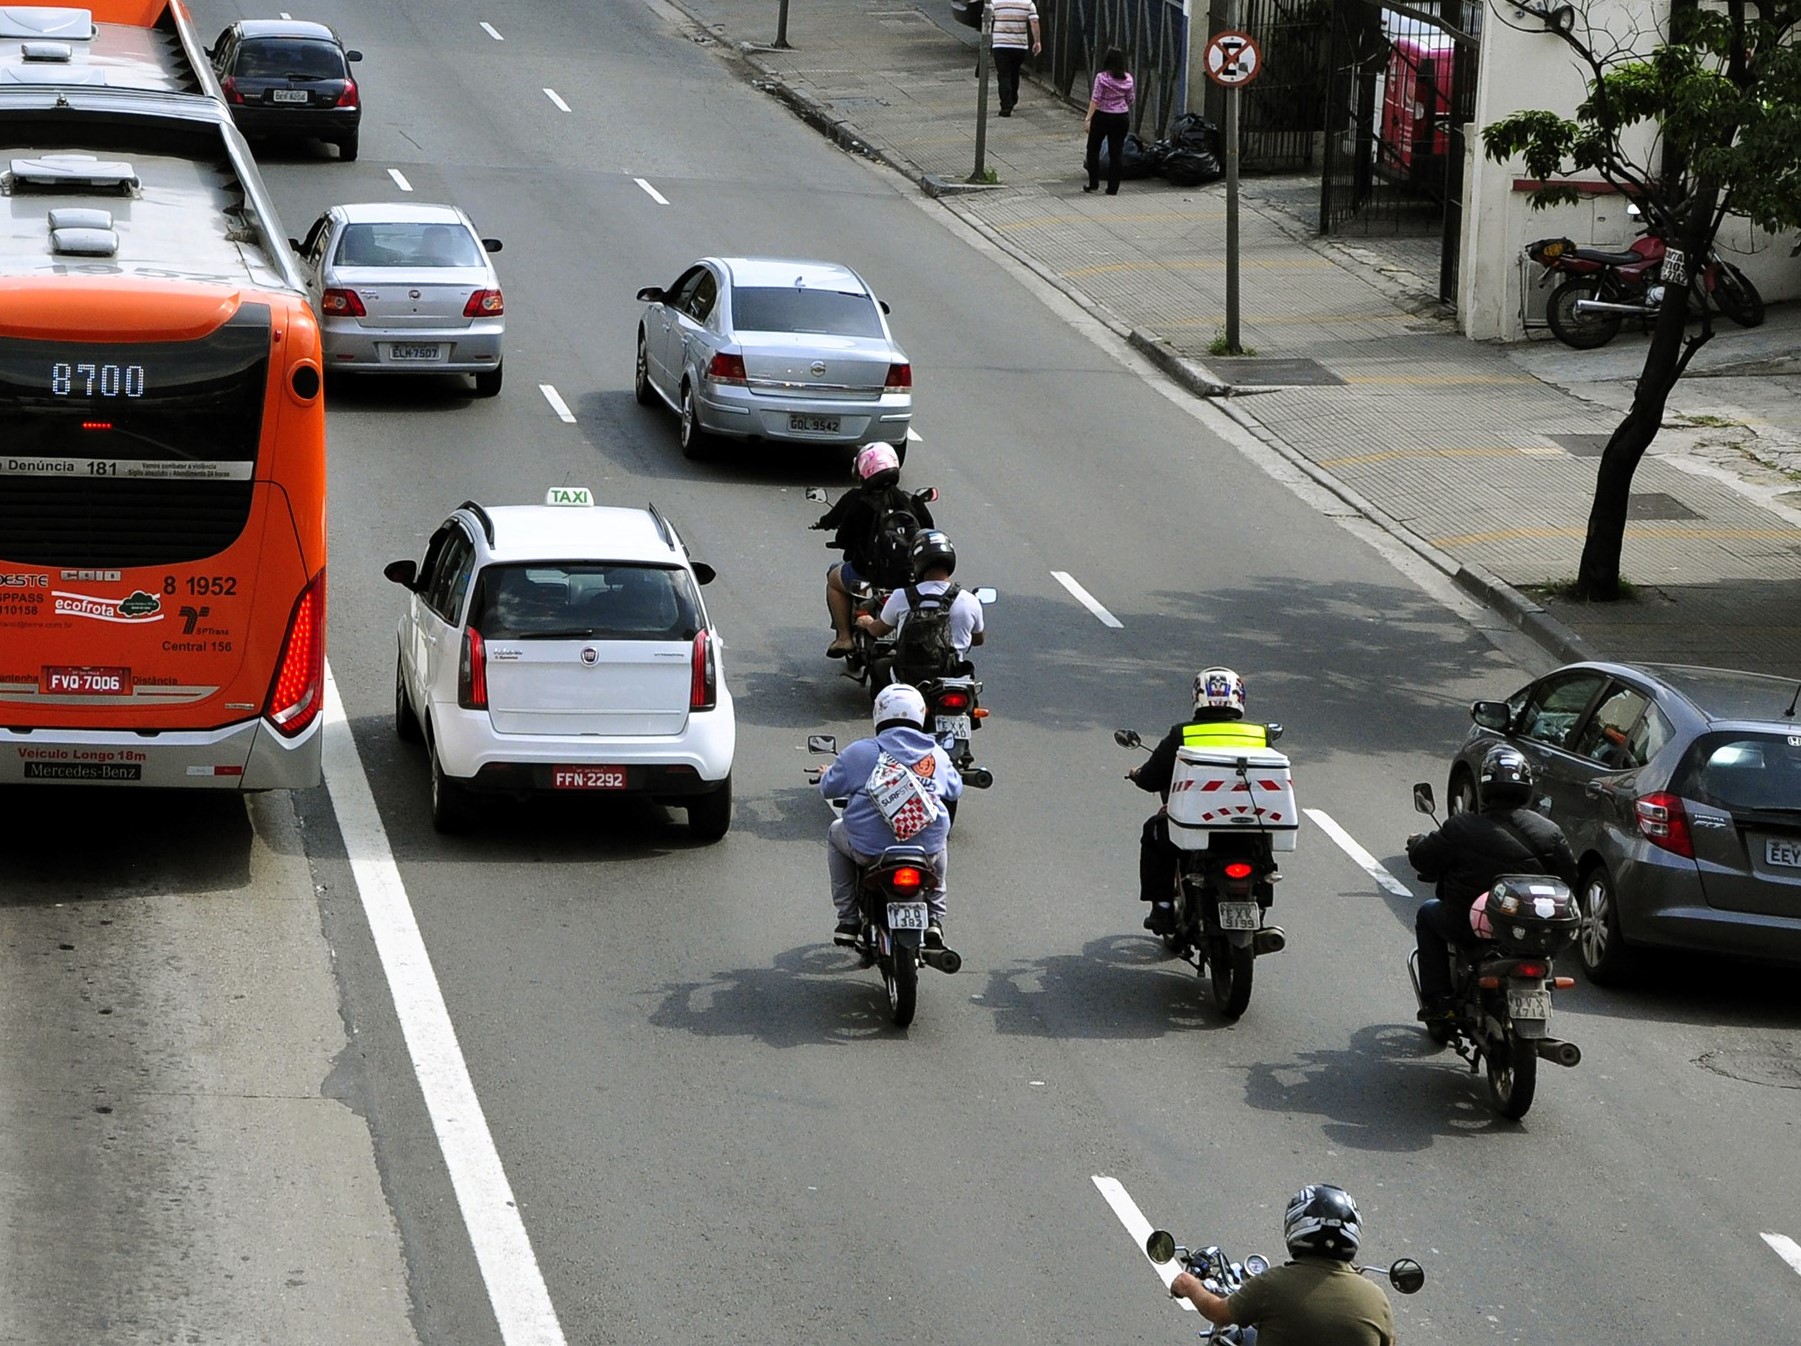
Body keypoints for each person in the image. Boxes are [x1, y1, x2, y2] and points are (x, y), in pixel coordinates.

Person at [1406, 743, 1579, 1021]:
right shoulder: (1550, 832)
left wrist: (1416, 844)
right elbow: (1569, 879)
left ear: (1484, 785)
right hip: (1534, 933)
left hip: (1467, 928)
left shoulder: (1461, 827)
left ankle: (1439, 1002)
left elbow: (1425, 860)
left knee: (1428, 914)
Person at [1128, 667, 1271, 935]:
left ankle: (1162, 908)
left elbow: (1151, 778)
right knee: (1263, 852)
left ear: (1198, 697)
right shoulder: (1260, 734)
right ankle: (1262, 896)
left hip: (1196, 827)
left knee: (1153, 833)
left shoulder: (1182, 733)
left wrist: (1138, 775)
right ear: (1239, 697)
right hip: (1250, 824)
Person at [818, 684, 963, 948]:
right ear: (920, 715)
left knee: (835, 832)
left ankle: (848, 920)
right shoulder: (936, 755)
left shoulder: (860, 752)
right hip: (924, 853)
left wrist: (827, 772)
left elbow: (829, 787)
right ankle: (934, 919)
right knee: (939, 839)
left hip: (870, 851)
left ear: (879, 715)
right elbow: (954, 789)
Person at [1168, 1184, 1396, 1346]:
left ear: (1296, 1226)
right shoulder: (1376, 1300)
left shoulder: (1272, 1285)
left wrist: (1189, 1285)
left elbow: (1217, 1313)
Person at [811, 443, 933, 659]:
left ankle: (844, 638)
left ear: (863, 471)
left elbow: (843, 537)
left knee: (834, 578)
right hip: (908, 582)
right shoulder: (910, 500)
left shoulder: (856, 501)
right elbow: (928, 532)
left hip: (867, 581)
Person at [857, 529, 985, 680]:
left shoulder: (901, 596)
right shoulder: (969, 600)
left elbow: (878, 631)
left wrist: (867, 623)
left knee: (879, 666)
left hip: (909, 675)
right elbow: (978, 640)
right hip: (953, 674)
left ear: (917, 562)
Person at [1083, 48, 1135, 195]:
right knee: (1116, 152)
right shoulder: (1128, 79)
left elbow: (1095, 99)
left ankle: (1093, 183)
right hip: (1121, 117)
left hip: (1102, 116)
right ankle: (1113, 188)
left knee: (1093, 149)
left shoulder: (1101, 78)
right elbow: (1130, 99)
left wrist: (1088, 118)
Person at [986, 0, 1041, 118]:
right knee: (1014, 72)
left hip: (1000, 44)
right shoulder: (1028, 3)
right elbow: (1034, 22)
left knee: (1003, 75)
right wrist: (1037, 41)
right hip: (1019, 46)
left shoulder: (995, 2)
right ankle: (1013, 98)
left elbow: (987, 19)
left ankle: (1006, 106)